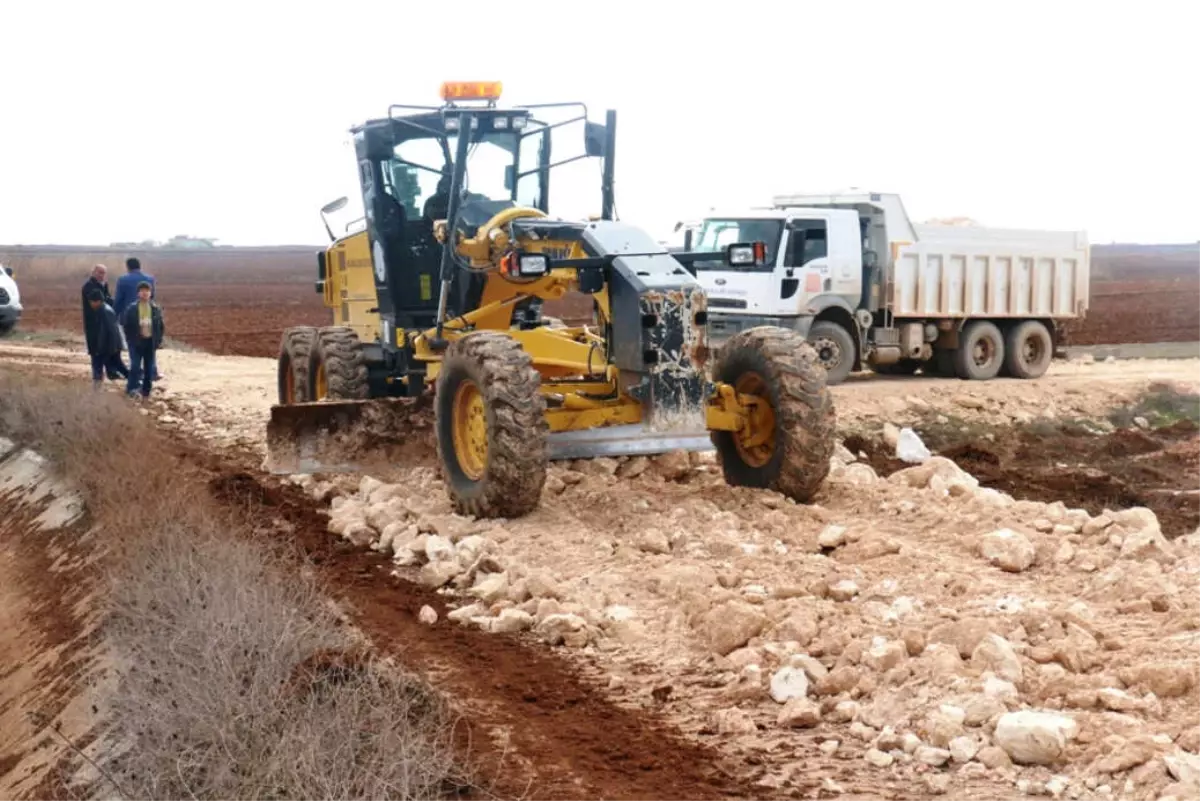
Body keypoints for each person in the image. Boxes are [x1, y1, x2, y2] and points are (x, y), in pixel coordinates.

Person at [114, 257, 162, 381]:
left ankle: (137, 373)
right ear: (139, 266)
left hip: (129, 319)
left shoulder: (123, 280)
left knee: (133, 346)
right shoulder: (149, 279)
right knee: (149, 345)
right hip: (147, 316)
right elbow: (152, 298)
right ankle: (152, 372)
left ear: (128, 267)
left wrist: (114, 315)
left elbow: (119, 300)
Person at [80, 264, 128, 380]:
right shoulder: (88, 286)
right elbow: (102, 300)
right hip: (94, 325)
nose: (102, 275)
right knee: (97, 354)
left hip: (105, 326)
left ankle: (118, 376)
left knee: (109, 356)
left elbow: (107, 299)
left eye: (103, 273)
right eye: (99, 272)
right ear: (93, 272)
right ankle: (99, 379)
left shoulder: (103, 285)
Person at [120, 281, 164, 400]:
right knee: (135, 366)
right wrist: (131, 339)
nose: (145, 293)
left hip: (150, 343)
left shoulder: (155, 308)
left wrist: (158, 341)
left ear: (150, 293)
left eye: (147, 291)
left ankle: (146, 391)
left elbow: (160, 326)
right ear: (138, 293)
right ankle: (131, 388)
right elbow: (126, 325)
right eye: (142, 291)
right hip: (136, 343)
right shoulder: (132, 308)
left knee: (149, 368)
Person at [84, 287, 123, 390]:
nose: (90, 304)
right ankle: (97, 389)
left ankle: (135, 383)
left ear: (98, 301)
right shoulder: (104, 309)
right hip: (107, 347)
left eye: (92, 301)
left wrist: (110, 348)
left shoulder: (104, 312)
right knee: (113, 369)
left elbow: (111, 331)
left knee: (117, 369)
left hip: (108, 347)